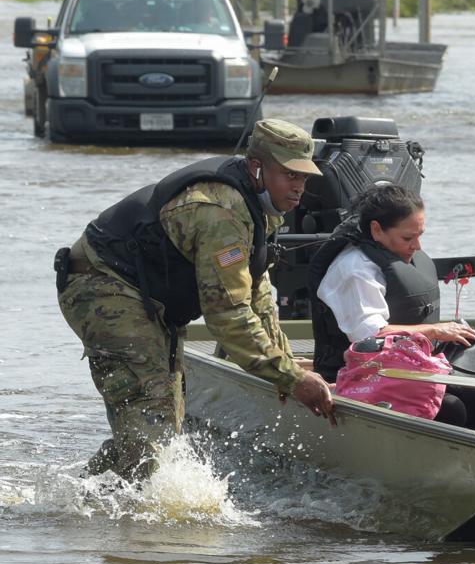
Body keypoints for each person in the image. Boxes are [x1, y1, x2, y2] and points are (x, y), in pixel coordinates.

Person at [56, 119, 336, 482]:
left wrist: (284, 363)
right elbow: (227, 315)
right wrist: (290, 378)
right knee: (151, 415)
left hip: (148, 298)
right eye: (289, 175)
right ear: (257, 167)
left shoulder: (260, 207)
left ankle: (88, 497)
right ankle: (131, 522)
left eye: (304, 178)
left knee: (166, 423)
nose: (299, 188)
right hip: (104, 287)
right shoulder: (222, 213)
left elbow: (257, 293)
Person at [309, 185, 475, 429]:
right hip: (355, 376)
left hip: (402, 368)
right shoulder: (355, 270)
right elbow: (369, 336)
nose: (417, 246)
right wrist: (434, 331)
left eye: (420, 234)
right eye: (408, 238)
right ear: (376, 230)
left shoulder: (391, 254)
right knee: (452, 408)